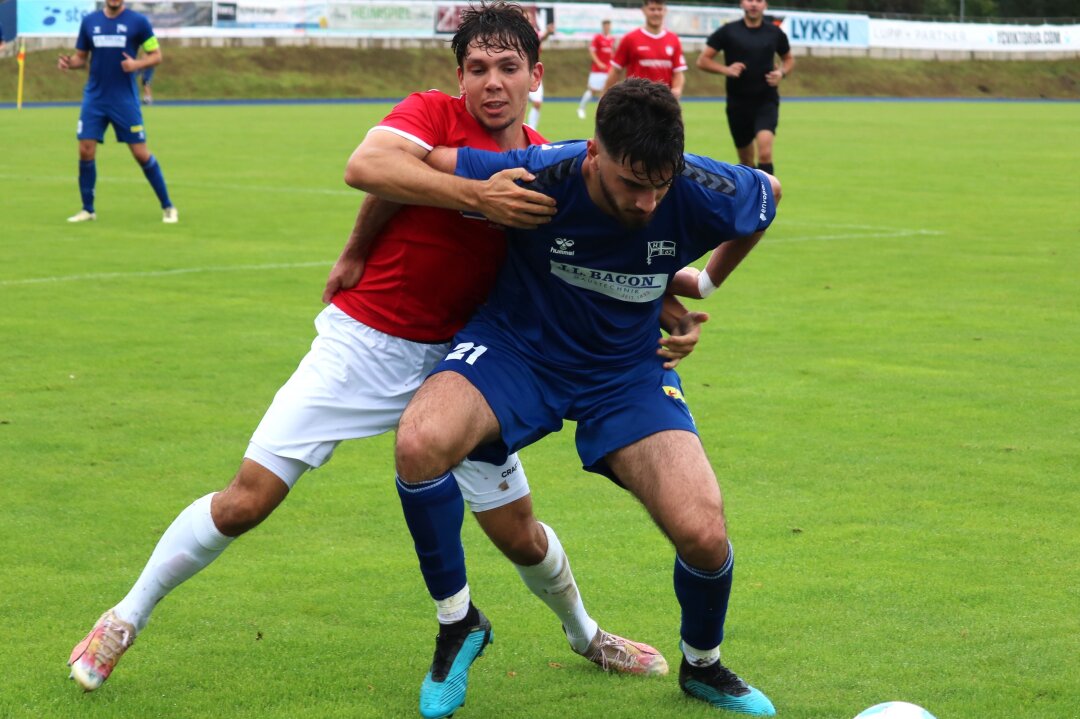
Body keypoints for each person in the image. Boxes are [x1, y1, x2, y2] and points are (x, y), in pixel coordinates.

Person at [67, 4, 670, 716]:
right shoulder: (432, 116)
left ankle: (587, 633)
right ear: (459, 76)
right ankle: (123, 618)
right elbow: (372, 167)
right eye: (477, 68)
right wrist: (400, 228)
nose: (492, 82)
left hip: (465, 365)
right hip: (366, 340)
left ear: (537, 75)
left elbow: (598, 250)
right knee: (246, 498)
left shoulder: (547, 162)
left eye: (509, 67)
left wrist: (665, 303)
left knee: (518, 531)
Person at [387, 78, 781, 716]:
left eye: (661, 184)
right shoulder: (542, 172)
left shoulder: (699, 186)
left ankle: (703, 666)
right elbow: (418, 161)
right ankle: (458, 622)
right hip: (519, 351)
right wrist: (473, 196)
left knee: (704, 533)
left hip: (627, 370)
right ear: (594, 154)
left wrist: (702, 284)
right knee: (420, 441)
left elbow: (769, 196)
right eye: (633, 184)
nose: (649, 202)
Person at [57, 0, 177, 223]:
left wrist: (137, 65)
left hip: (124, 100)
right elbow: (81, 59)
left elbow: (156, 56)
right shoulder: (89, 22)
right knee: (85, 149)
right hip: (95, 97)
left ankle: (168, 206)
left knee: (140, 153)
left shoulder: (138, 22)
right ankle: (87, 209)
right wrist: (68, 63)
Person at [696, 0, 794, 176]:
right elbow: (702, 61)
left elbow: (788, 59)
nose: (754, 4)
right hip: (738, 104)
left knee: (765, 153)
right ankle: (750, 200)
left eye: (758, 1)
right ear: (742, 3)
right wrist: (726, 69)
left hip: (766, 101)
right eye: (749, 0)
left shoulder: (774, 32)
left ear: (765, 5)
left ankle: (768, 199)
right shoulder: (728, 31)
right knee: (746, 162)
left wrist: (782, 73)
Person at [603, 0, 686, 99]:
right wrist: (605, 97)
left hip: (663, 102)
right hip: (635, 100)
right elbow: (616, 70)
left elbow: (678, 72)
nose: (656, 13)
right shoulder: (630, 38)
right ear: (644, 10)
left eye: (659, 9)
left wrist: (677, 89)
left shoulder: (674, 39)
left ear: (665, 11)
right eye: (652, 9)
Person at [576, 18, 615, 120]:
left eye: (609, 26)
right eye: (606, 26)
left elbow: (612, 53)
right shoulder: (598, 38)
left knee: (605, 92)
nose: (607, 28)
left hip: (607, 70)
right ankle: (581, 108)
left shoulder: (612, 39)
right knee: (592, 90)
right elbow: (592, 51)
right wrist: (599, 63)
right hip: (597, 70)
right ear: (603, 27)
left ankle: (600, 114)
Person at [526, 20, 554, 129]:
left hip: (533, 73)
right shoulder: (517, 35)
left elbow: (540, 38)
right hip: (520, 72)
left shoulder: (534, 34)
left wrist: (547, 32)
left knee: (537, 104)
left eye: (530, 18)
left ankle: (532, 130)